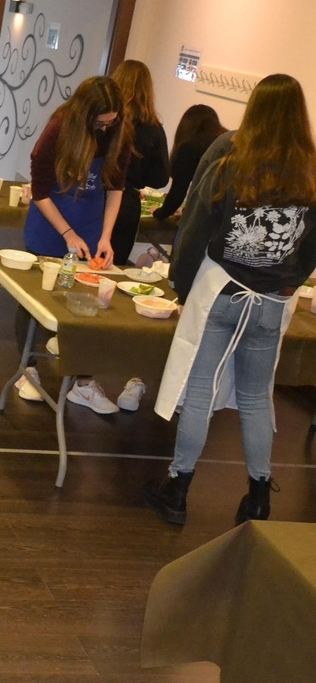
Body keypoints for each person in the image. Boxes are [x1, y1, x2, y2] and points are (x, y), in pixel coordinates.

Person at [144, 74, 316, 526]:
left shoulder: (229, 159)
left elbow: (195, 228)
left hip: (221, 291)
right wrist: (291, 281)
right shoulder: (310, 169)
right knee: (258, 397)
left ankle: (178, 490)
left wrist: (181, 286)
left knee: (199, 392)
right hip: (271, 302)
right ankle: (259, 495)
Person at [15, 76, 134, 414]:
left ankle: (83, 383)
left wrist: (106, 237)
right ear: (85, 114)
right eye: (100, 122)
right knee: (35, 300)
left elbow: (115, 188)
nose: (106, 128)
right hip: (51, 224)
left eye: (112, 122)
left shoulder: (118, 132)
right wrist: (67, 233)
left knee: (88, 306)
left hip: (90, 224)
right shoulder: (58, 128)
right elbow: (39, 192)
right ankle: (27, 370)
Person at [109, 60, 170, 266]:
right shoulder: (153, 128)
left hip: (96, 194)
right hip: (127, 200)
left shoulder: (107, 121)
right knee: (114, 264)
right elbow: (160, 178)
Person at [153, 105, 228, 220]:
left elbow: (178, 190)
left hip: (206, 217)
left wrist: (160, 213)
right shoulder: (227, 143)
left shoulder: (190, 146)